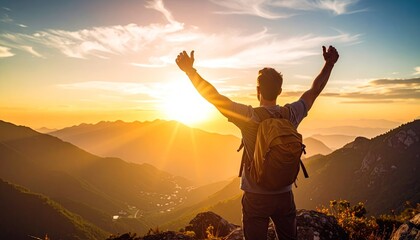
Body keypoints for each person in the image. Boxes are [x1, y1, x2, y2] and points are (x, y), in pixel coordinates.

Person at [175, 46, 339, 239]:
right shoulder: (291, 114)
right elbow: (314, 91)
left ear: (258, 91)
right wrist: (329, 64)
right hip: (284, 194)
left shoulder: (248, 116)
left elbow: (214, 97)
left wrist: (190, 71)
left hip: (256, 196)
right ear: (279, 90)